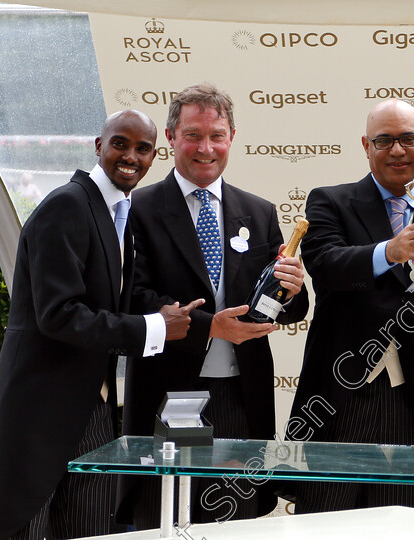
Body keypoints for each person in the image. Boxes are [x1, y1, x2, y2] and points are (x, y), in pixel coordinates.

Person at [0, 110, 203, 540]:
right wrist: (152, 328)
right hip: (40, 413)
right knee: (23, 528)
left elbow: (120, 301)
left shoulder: (119, 212)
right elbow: (59, 314)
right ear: (99, 145)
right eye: (120, 143)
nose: (130, 156)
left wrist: (203, 322)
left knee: (88, 530)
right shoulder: (67, 205)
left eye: (143, 148)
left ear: (154, 156)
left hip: (90, 408)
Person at [119, 83, 308, 528]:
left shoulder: (257, 211)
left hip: (243, 397)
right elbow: (135, 297)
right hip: (170, 393)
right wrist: (210, 326)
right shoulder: (138, 208)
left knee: (238, 518)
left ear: (232, 136)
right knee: (167, 514)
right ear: (170, 138)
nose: (206, 148)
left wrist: (295, 289)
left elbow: (286, 307)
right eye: (193, 135)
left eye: (216, 135)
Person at [286, 98, 414, 514]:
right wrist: (392, 250)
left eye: (407, 139)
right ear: (365, 145)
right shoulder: (330, 201)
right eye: (384, 140)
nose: (397, 150)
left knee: (406, 523)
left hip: (411, 402)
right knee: (327, 524)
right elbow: (327, 266)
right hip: (337, 399)